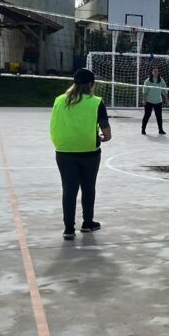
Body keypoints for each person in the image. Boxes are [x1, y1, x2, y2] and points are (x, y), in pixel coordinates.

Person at [49, 68, 112, 241]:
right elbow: (107, 132)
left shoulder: (59, 100)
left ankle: (68, 229)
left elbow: (54, 123)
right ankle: (87, 223)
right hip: (89, 152)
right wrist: (102, 138)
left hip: (64, 150)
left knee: (69, 190)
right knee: (88, 187)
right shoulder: (96, 102)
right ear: (91, 84)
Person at [141, 65, 167, 135]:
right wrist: (144, 100)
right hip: (149, 101)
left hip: (158, 101)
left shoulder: (161, 80)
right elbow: (144, 92)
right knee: (147, 115)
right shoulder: (147, 81)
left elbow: (164, 90)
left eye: (157, 71)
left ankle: (160, 130)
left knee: (159, 116)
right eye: (154, 71)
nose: (156, 72)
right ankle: (143, 129)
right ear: (152, 72)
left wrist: (166, 99)